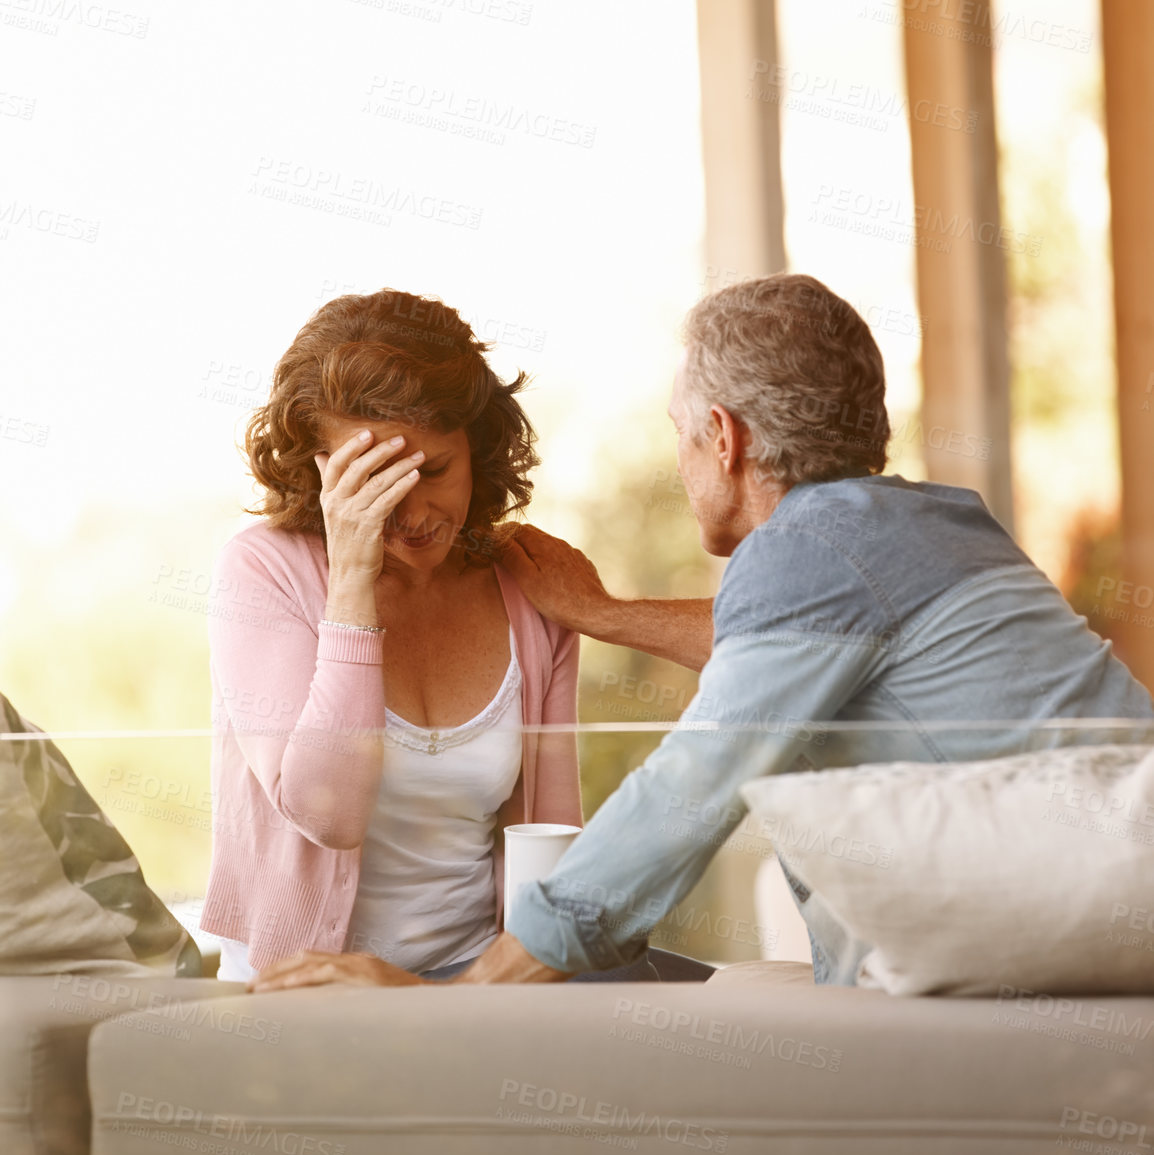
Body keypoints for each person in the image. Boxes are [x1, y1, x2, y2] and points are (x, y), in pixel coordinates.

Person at [252, 273, 1153, 996]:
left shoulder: (803, 548)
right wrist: (603, 616)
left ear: (722, 438)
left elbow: (685, 795)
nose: (682, 464)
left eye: (681, 437)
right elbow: (786, 653)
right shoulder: (937, 525)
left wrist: (452, 1000)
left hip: (1055, 959)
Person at [200, 288, 582, 983]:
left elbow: (550, 850)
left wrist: (486, 1000)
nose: (409, 510)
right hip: (306, 995)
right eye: (371, 478)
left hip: (482, 991)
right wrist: (350, 583)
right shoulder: (261, 571)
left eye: (432, 471)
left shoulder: (529, 588)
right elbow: (327, 813)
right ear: (315, 467)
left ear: (478, 448)